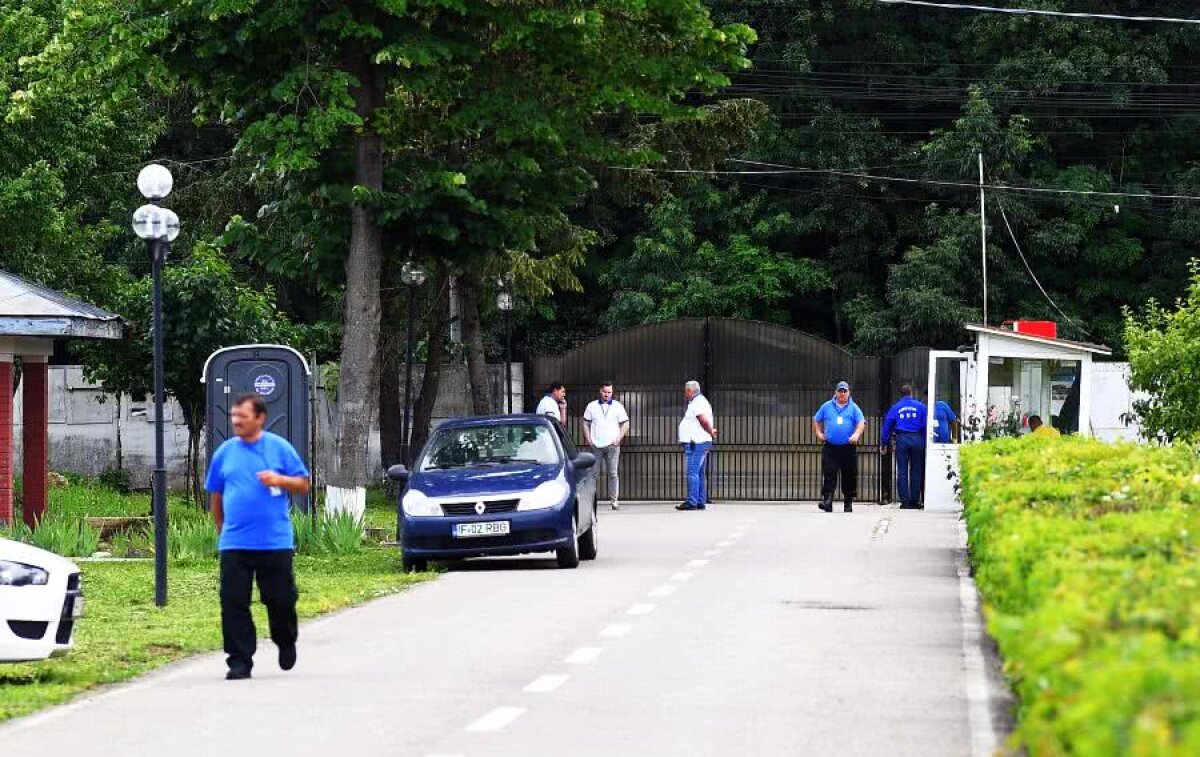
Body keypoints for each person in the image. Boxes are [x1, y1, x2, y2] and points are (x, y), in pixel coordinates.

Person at [205, 393, 311, 681]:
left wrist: (280, 480)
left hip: (274, 542)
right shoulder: (225, 452)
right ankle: (239, 661)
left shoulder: (279, 449)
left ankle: (285, 639)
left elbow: (303, 483)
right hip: (235, 543)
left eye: (243, 416)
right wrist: (222, 529)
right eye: (233, 416)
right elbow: (217, 493)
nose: (236, 421)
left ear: (260, 418)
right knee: (233, 601)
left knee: (279, 599)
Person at [812, 381, 866, 513]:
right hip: (831, 447)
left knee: (849, 474)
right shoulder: (827, 406)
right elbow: (816, 419)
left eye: (845, 391)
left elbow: (861, 422)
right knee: (829, 473)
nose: (842, 394)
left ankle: (848, 502)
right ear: (835, 392)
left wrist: (856, 435)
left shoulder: (854, 408)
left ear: (848, 393)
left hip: (848, 447)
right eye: (840, 391)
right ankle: (828, 501)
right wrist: (818, 433)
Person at [582, 381, 630, 510]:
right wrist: (588, 439)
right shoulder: (591, 406)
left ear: (612, 392)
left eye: (609, 392)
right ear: (600, 391)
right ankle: (589, 501)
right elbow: (585, 423)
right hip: (595, 445)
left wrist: (618, 438)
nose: (607, 395)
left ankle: (614, 501)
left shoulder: (618, 406)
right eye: (605, 392)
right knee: (592, 474)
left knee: (613, 473)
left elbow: (626, 424)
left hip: (612, 446)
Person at [881, 384, 928, 510]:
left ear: (900, 394)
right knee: (916, 471)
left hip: (902, 439)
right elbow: (925, 424)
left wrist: (884, 442)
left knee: (902, 471)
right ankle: (915, 501)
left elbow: (887, 425)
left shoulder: (896, 407)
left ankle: (905, 502)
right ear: (911, 393)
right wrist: (924, 441)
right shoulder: (921, 407)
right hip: (918, 438)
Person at [677, 380, 718, 511]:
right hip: (699, 442)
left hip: (697, 443)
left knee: (692, 472)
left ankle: (692, 501)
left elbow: (703, 420)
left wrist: (710, 430)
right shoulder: (699, 402)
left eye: (686, 391)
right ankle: (700, 500)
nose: (685, 394)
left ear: (690, 391)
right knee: (699, 473)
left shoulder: (698, 403)